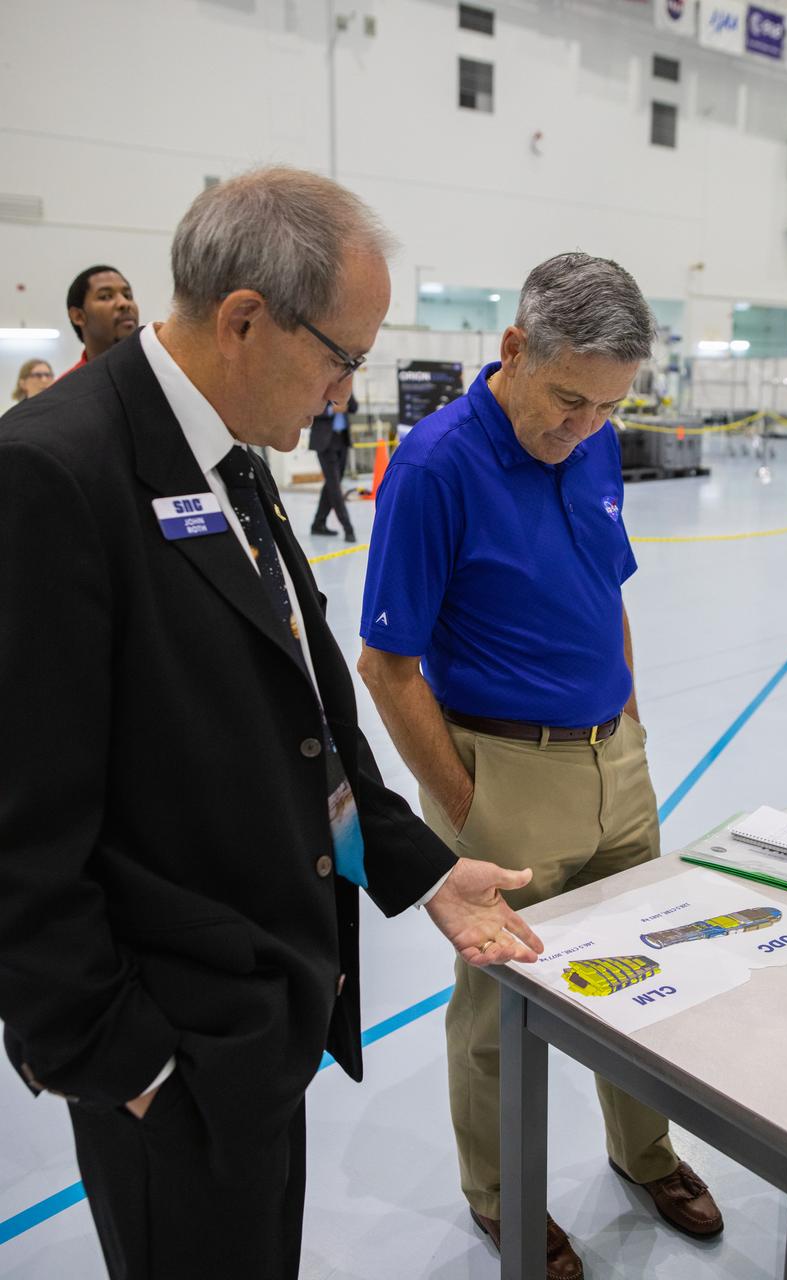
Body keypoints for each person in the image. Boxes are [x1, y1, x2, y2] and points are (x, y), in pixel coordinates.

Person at [0, 167, 543, 1280]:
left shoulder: (230, 454)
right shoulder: (52, 474)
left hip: (264, 1018)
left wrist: (423, 870)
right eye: (343, 355)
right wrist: (125, 1062)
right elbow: (19, 834)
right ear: (245, 319)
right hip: (168, 1053)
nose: (346, 392)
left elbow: (305, 715)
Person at [358, 252, 723, 1280]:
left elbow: (610, 594)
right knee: (498, 1012)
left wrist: (633, 724)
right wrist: (470, 806)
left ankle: (642, 1149)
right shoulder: (434, 466)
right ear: (514, 348)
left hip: (619, 764)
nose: (580, 428)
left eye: (606, 408)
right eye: (567, 399)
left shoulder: (593, 446)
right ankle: (499, 1193)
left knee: (644, 966)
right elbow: (386, 665)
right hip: (504, 779)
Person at [61, 263, 139, 374]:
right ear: (78, 316)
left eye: (127, 295)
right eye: (106, 296)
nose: (124, 303)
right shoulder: (66, 388)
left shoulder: (160, 371)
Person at [309, 392, 358, 541]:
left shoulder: (345, 388)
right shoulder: (321, 387)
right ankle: (348, 527)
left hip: (341, 440)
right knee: (335, 487)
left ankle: (318, 523)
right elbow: (311, 411)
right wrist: (331, 410)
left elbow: (354, 408)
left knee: (331, 485)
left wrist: (347, 397)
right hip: (325, 443)